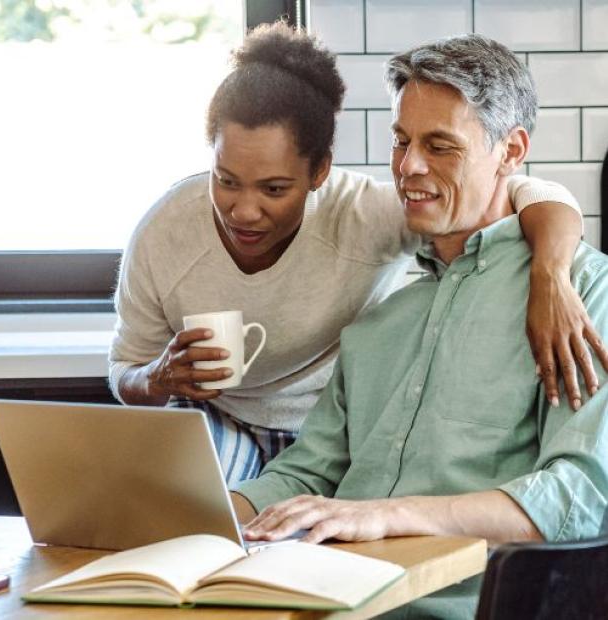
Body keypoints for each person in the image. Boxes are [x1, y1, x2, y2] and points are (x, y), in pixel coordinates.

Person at [109, 23, 603, 487]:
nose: (244, 211)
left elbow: (527, 192)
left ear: (320, 172)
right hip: (227, 421)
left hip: (326, 432)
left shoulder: (367, 215)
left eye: (275, 188)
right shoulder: (165, 234)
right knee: (170, 509)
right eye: (226, 180)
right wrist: (158, 378)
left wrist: (552, 273)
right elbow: (123, 369)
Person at [231, 33, 608, 619]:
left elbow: (579, 496)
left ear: (511, 152)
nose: (408, 167)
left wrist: (389, 513)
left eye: (440, 146)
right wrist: (210, 508)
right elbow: (309, 470)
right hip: (321, 601)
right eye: (401, 140)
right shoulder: (381, 316)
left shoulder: (581, 292)